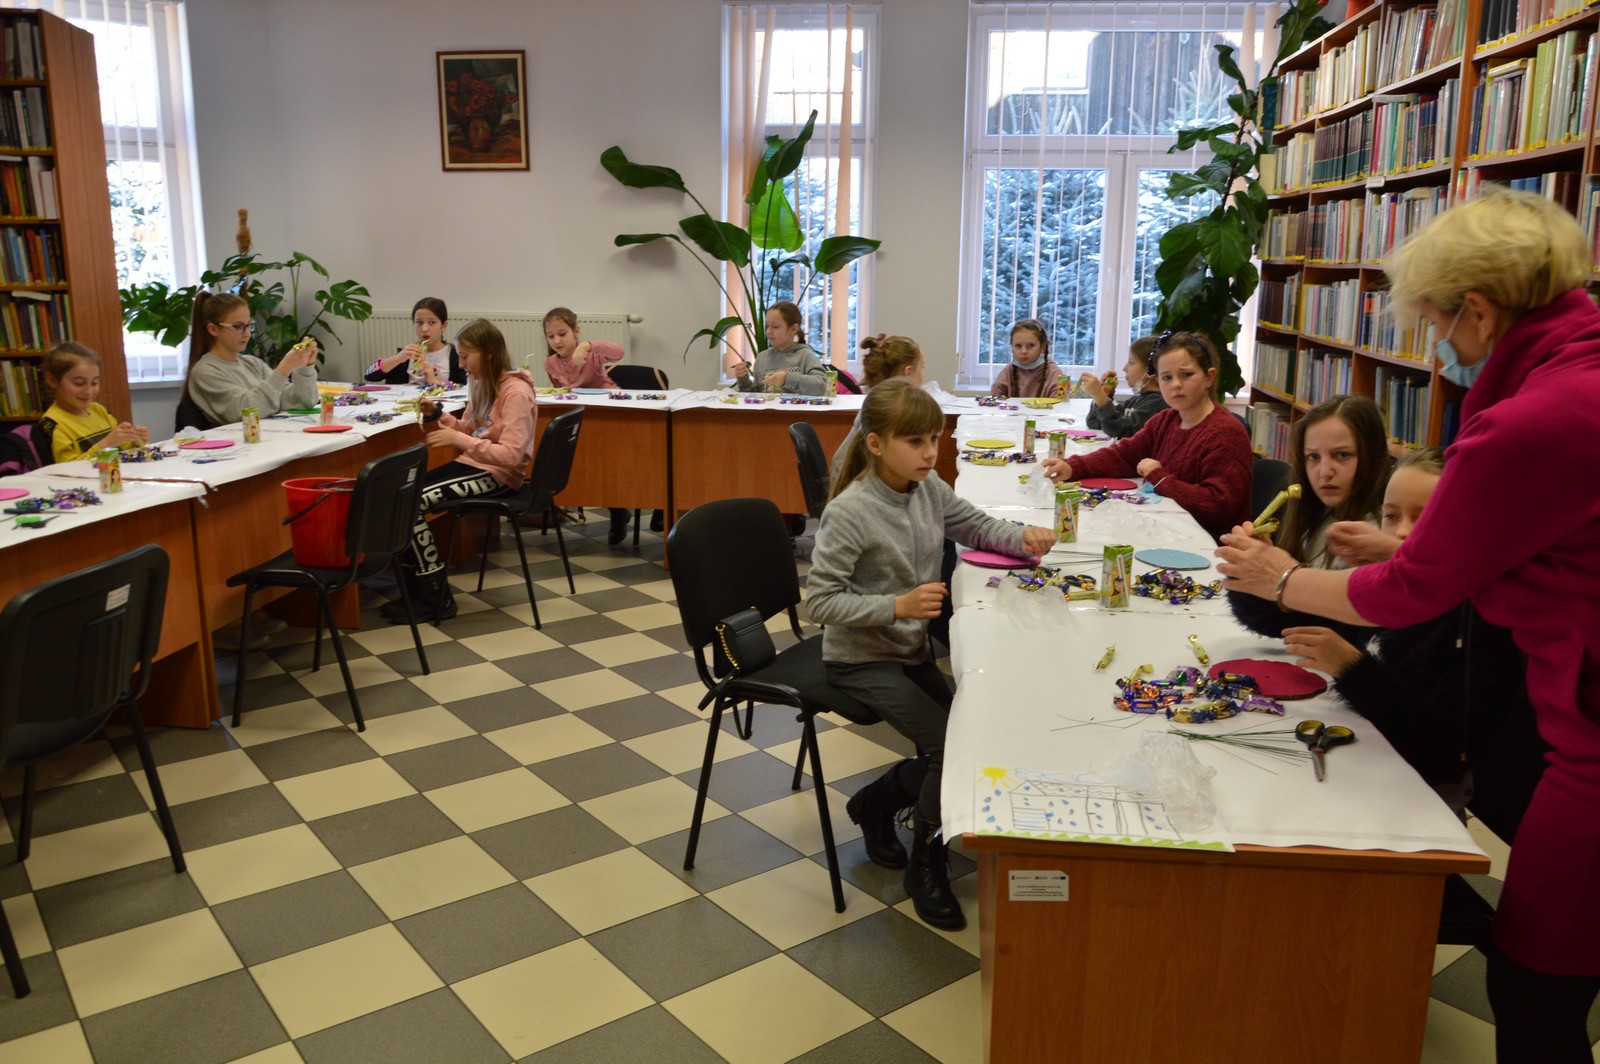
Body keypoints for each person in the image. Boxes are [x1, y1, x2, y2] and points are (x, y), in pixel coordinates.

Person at [1217, 190, 1600, 1064]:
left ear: (1480, 311)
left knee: (1535, 986)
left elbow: (1412, 593)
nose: (1440, 347)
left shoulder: (1533, 420)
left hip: (1587, 744)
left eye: (1436, 324)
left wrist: (1286, 578)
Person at [806, 379, 1054, 930]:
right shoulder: (851, 511)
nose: (929, 453)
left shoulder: (925, 487)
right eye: (914, 441)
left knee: (971, 736)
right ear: (875, 444)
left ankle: (874, 803)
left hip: (909, 649)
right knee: (950, 749)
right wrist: (896, 606)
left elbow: (974, 525)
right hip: (860, 659)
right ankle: (926, 863)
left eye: (934, 439)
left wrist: (1021, 537)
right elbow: (818, 603)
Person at [1280, 448, 1545, 833]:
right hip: (1373, 766)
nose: (1403, 532)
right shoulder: (1386, 582)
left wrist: (1352, 668)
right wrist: (1253, 576)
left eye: (1425, 517)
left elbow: (1437, 749)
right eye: (1391, 516)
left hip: (1423, 805)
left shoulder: (1475, 621)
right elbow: (1292, 621)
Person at [384, 318, 536, 624]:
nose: (462, 364)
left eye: (466, 357)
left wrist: (459, 440)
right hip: (476, 464)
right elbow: (470, 427)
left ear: (489, 353)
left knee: (412, 503)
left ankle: (436, 597)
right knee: (402, 497)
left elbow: (511, 455)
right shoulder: (481, 382)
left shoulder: (516, 392)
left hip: (500, 474)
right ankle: (416, 592)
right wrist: (439, 416)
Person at [1042, 331, 1251, 541]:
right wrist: (1073, 467)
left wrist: (1159, 478)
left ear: (1209, 377)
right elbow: (1124, 456)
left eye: (1186, 375)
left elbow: (1217, 506)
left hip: (1209, 543)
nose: (1176, 384)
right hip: (1170, 529)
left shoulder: (1225, 433)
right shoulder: (1166, 420)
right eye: (1166, 377)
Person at [1227, 394, 1388, 642]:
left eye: (1342, 455)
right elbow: (1284, 624)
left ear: (1372, 457)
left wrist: (1282, 581)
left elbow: (1342, 634)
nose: (1325, 472)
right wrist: (1251, 572)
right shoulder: (1311, 512)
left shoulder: (1378, 537)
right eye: (1313, 457)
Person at [542, 306, 632, 543]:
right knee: (582, 461)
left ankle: (618, 511)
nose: (557, 341)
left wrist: (587, 345)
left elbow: (619, 351)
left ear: (576, 331)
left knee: (608, 463)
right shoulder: (550, 364)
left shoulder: (592, 354)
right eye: (551, 336)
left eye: (562, 334)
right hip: (579, 417)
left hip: (606, 415)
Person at [183, 291, 319, 426]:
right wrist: (283, 369)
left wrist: (306, 367)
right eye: (238, 327)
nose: (247, 333)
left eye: (249, 326)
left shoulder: (253, 363)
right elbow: (246, 412)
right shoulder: (205, 371)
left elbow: (301, 403)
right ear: (213, 329)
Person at [830, 333, 926, 484]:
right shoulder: (888, 412)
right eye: (922, 368)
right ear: (908, 372)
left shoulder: (878, 403)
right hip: (856, 485)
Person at [37, 342, 148, 462]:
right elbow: (68, 469)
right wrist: (104, 446)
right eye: (79, 383)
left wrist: (135, 442)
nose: (89, 391)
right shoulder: (53, 425)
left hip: (111, 473)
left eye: (94, 383)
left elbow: (120, 451)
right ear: (52, 380)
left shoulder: (98, 410)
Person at [731, 300, 828, 395]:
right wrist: (743, 379)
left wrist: (787, 378)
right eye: (767, 326)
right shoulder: (762, 358)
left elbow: (823, 385)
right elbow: (755, 396)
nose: (769, 331)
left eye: (775, 327)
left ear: (793, 329)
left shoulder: (805, 356)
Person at [364, 297, 465, 386]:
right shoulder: (407, 354)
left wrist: (434, 381)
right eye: (419, 322)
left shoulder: (455, 355)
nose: (424, 329)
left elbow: (466, 387)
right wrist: (398, 358)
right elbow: (369, 375)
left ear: (444, 326)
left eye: (432, 322)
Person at [1081, 335, 1167, 438]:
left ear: (1150, 371)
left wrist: (1099, 396)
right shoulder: (1135, 401)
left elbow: (1121, 430)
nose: (1124, 368)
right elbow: (1094, 422)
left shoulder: (1157, 404)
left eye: (1131, 362)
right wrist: (1105, 393)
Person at [989, 318, 1061, 399]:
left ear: (1043, 347)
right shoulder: (1008, 372)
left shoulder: (1054, 373)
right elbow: (994, 401)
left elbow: (1060, 405)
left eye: (1030, 345)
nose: (1024, 351)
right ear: (1012, 348)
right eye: (1018, 346)